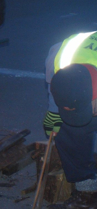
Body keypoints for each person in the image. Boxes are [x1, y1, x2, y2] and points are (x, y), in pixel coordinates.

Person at [44, 31, 97, 208]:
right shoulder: (61, 58)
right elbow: (55, 83)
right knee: (66, 128)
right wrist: (54, 111)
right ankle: (87, 189)